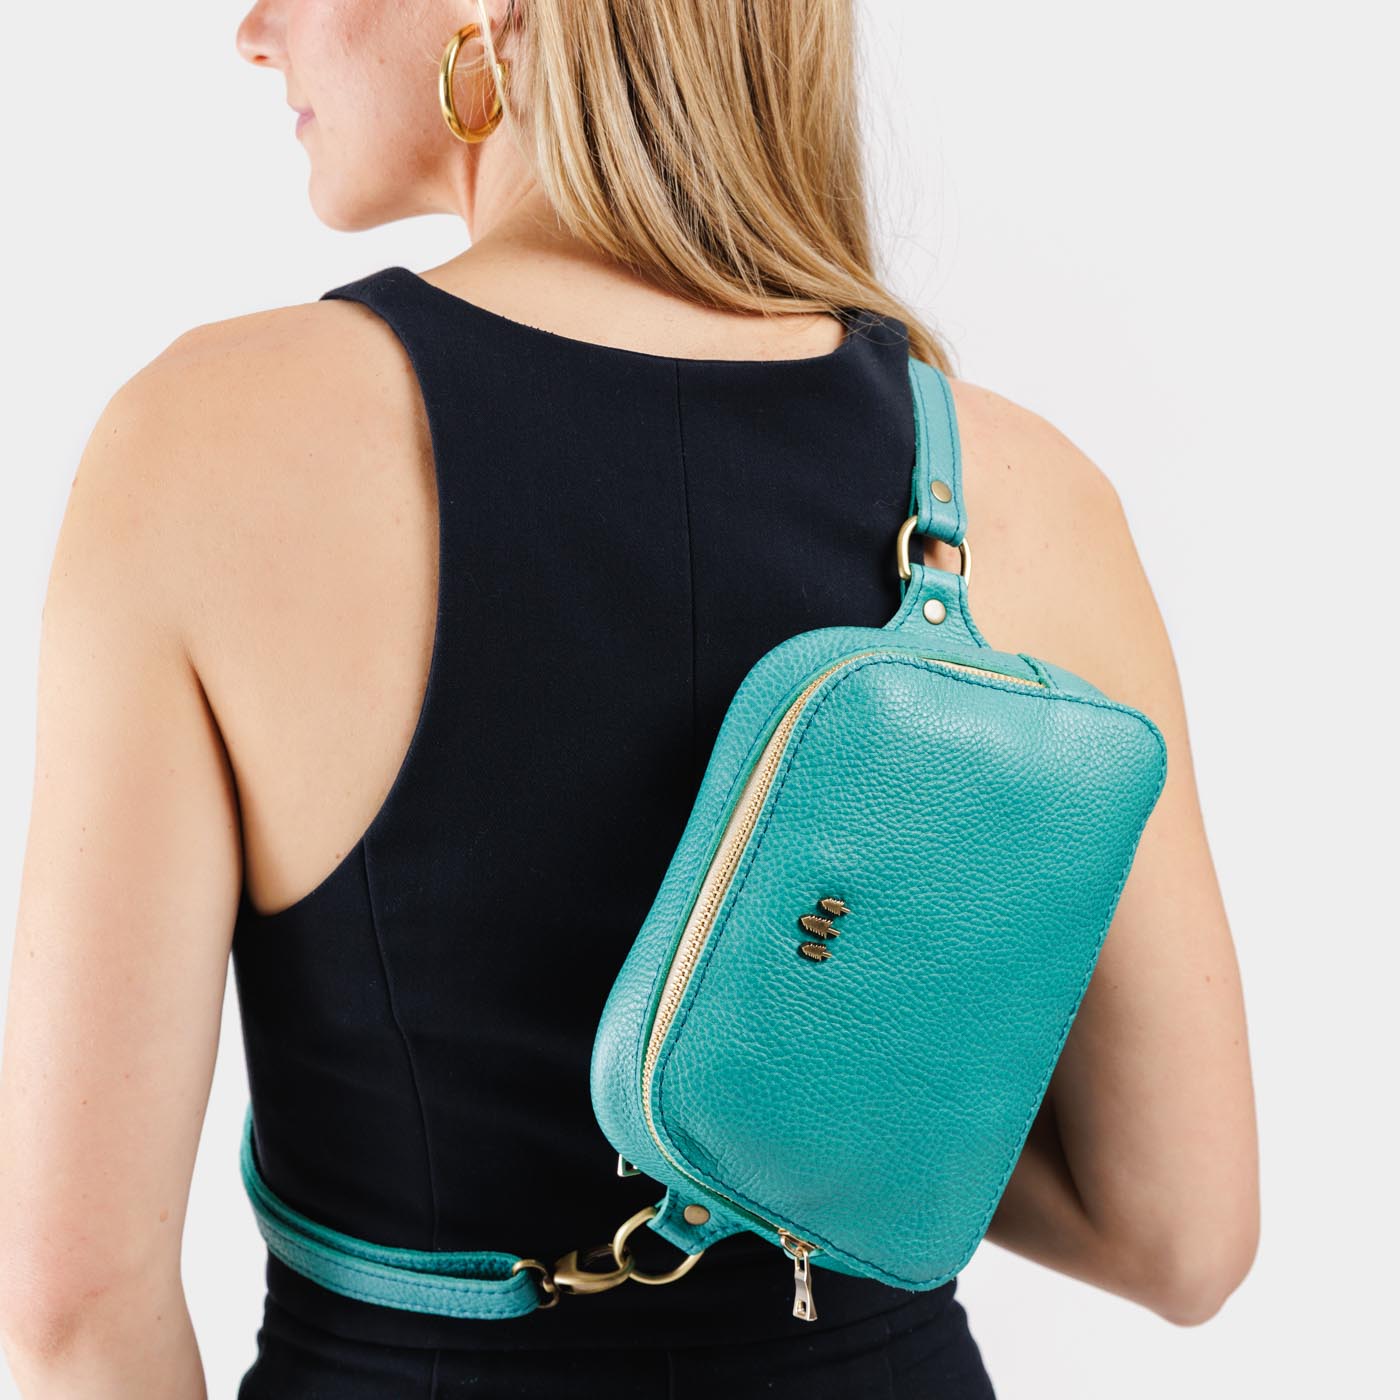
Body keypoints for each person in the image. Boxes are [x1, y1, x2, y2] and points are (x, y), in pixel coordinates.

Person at [0, 1, 1260, 1395]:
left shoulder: (211, 440)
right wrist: (821, 1067)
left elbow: (72, 1311)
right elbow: (1182, 1238)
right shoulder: (1028, 495)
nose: (256, 29)